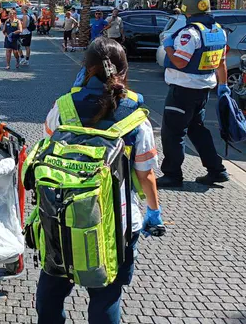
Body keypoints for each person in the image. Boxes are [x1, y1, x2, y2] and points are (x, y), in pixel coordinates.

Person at [37, 37, 164, 324]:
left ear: (86, 68)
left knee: (52, 288)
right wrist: (154, 213)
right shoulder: (136, 116)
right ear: (124, 69)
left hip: (62, 214)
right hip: (117, 221)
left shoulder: (64, 106)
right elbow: (145, 174)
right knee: (106, 296)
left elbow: (49, 149)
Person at [158, 0, 229, 188]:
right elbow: (222, 63)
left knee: (173, 133)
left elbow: (180, 62)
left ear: (186, 10)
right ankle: (216, 170)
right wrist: (224, 87)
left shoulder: (190, 34)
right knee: (197, 130)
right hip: (203, 90)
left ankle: (172, 174)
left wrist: (168, 46)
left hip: (183, 90)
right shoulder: (218, 31)